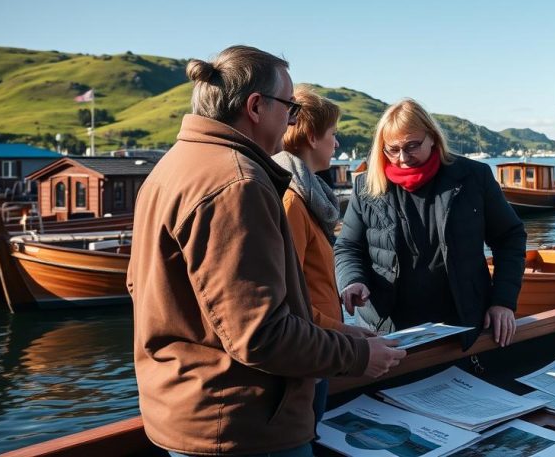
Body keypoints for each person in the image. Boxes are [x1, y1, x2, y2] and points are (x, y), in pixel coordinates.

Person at [127, 45, 405, 457]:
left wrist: (334, 329)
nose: (291, 120)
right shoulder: (237, 184)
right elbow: (260, 334)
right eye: (289, 107)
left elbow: (151, 290)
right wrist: (357, 354)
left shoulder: (171, 168)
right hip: (243, 425)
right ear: (256, 106)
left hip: (188, 412)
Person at [334, 98, 526, 349]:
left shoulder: (474, 177)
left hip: (460, 327)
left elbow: (510, 237)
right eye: (392, 149)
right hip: (386, 331)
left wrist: (503, 301)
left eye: (412, 146)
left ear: (433, 137)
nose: (402, 158)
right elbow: (348, 246)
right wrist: (351, 280)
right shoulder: (366, 187)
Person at [272, 84, 375, 440]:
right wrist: (342, 332)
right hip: (309, 355)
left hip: (320, 348)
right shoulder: (292, 202)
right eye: (333, 134)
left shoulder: (305, 196)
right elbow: (287, 295)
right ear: (313, 138)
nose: (337, 144)